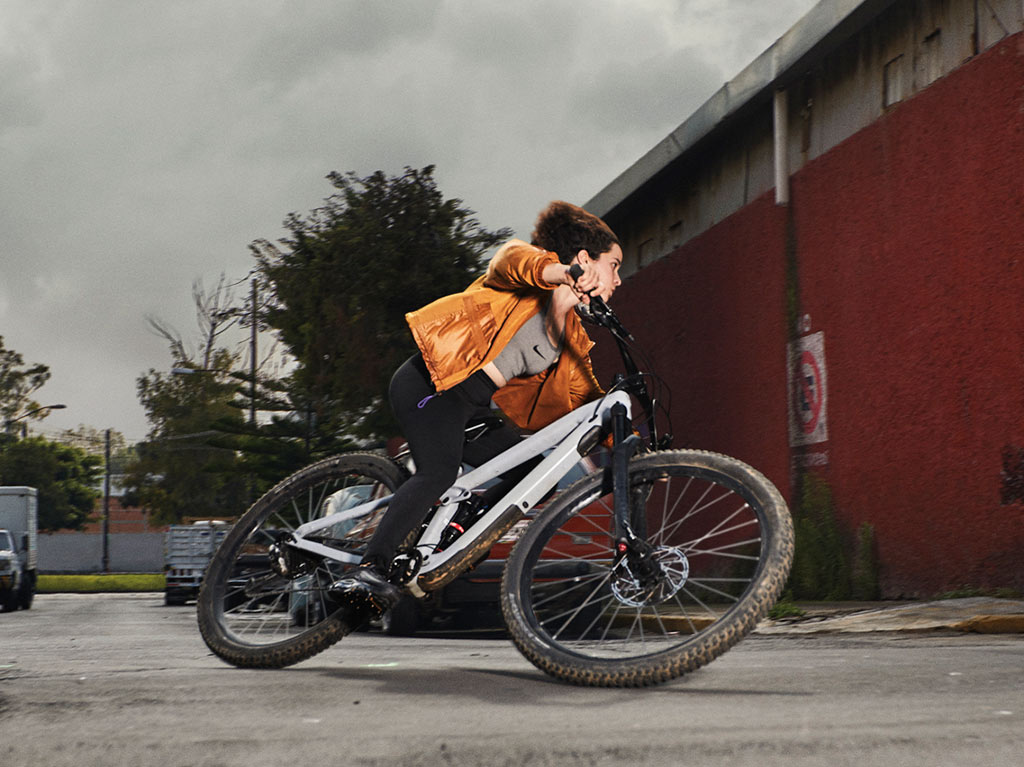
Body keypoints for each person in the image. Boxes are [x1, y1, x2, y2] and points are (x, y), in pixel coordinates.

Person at [330, 200, 623, 613]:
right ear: (584, 260)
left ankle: (455, 534)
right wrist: (562, 273)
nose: (619, 279)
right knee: (438, 471)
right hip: (431, 384)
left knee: (535, 473)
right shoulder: (529, 279)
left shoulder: (571, 337)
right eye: (614, 265)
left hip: (472, 407)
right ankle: (370, 570)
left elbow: (587, 400)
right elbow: (511, 259)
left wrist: (629, 445)